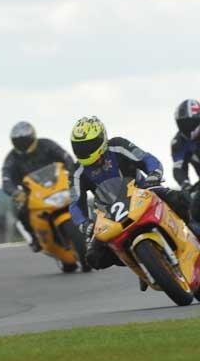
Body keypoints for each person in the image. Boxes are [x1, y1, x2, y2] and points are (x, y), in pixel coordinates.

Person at [68, 116, 194, 272]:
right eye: (79, 146)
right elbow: (75, 204)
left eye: (88, 145)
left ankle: (195, 233)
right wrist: (84, 224)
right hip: (110, 214)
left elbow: (147, 159)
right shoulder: (77, 171)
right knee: (94, 257)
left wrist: (154, 174)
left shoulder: (117, 145)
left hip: (144, 192)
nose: (84, 150)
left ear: (101, 139)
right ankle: (142, 267)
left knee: (183, 200)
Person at [1, 121, 76, 252]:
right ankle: (34, 238)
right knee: (21, 212)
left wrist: (71, 172)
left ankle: (89, 223)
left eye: (25, 140)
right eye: (19, 141)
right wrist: (15, 192)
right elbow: (6, 179)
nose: (23, 144)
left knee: (80, 194)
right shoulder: (11, 158)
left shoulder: (46, 145)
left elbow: (66, 157)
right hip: (32, 194)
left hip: (58, 185)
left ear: (33, 137)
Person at [171, 99, 200, 192]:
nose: (187, 126)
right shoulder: (178, 142)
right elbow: (179, 168)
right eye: (183, 123)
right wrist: (185, 185)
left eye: (190, 122)